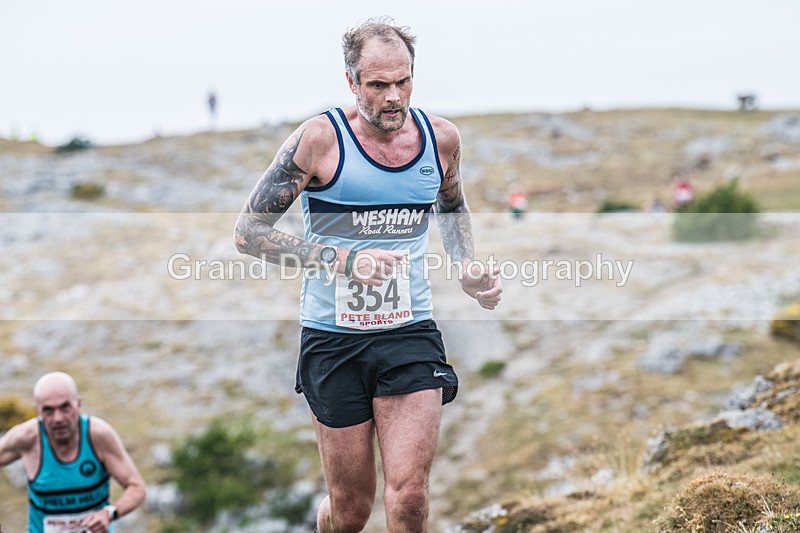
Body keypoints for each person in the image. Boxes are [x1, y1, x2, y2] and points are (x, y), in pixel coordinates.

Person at [233, 17, 502, 533]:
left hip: (409, 331)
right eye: (378, 85)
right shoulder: (319, 140)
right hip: (333, 338)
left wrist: (467, 266)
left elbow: (451, 210)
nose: (393, 97)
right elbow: (248, 234)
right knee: (351, 510)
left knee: (410, 497)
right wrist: (344, 261)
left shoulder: (440, 139)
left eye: (403, 81)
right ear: (353, 82)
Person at [0, 372, 146, 533]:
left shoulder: (98, 436)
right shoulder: (26, 438)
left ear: (78, 404)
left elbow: (136, 487)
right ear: (38, 411)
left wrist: (108, 513)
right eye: (48, 410)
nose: (58, 418)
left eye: (65, 407)